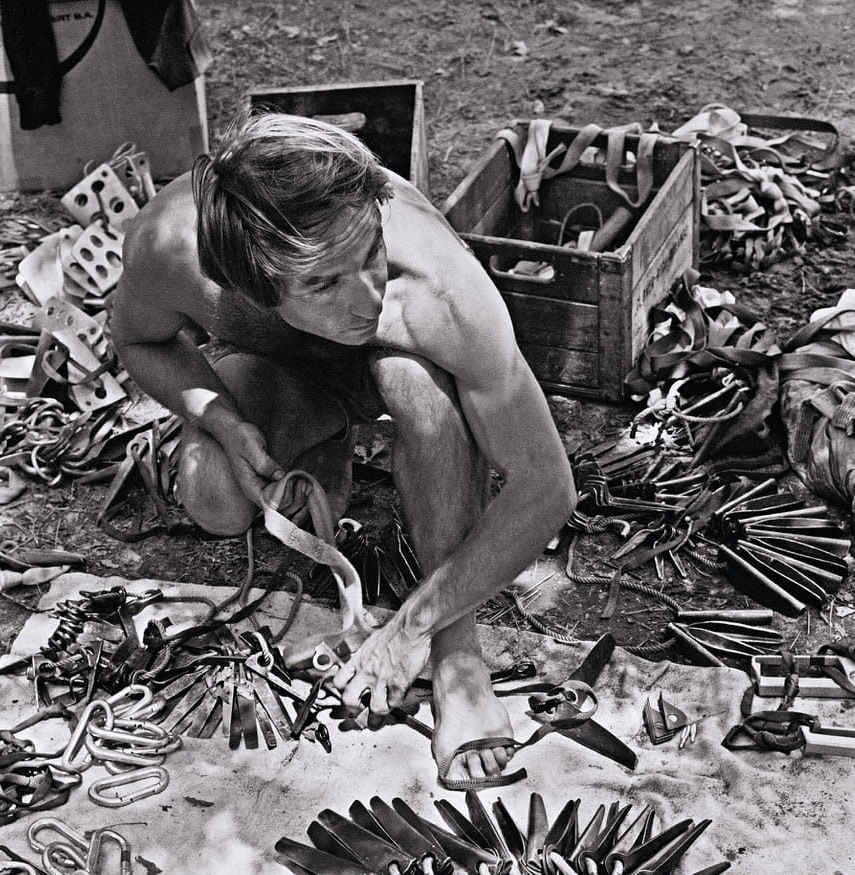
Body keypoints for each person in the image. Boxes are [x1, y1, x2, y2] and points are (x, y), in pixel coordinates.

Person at [110, 111, 577, 788]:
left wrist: (416, 628)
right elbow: (138, 340)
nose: (368, 296)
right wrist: (220, 418)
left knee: (420, 391)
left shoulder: (438, 291)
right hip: (276, 358)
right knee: (212, 494)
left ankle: (458, 655)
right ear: (245, 281)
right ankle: (323, 435)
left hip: (399, 365)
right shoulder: (167, 247)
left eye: (369, 253)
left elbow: (545, 484)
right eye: (324, 282)